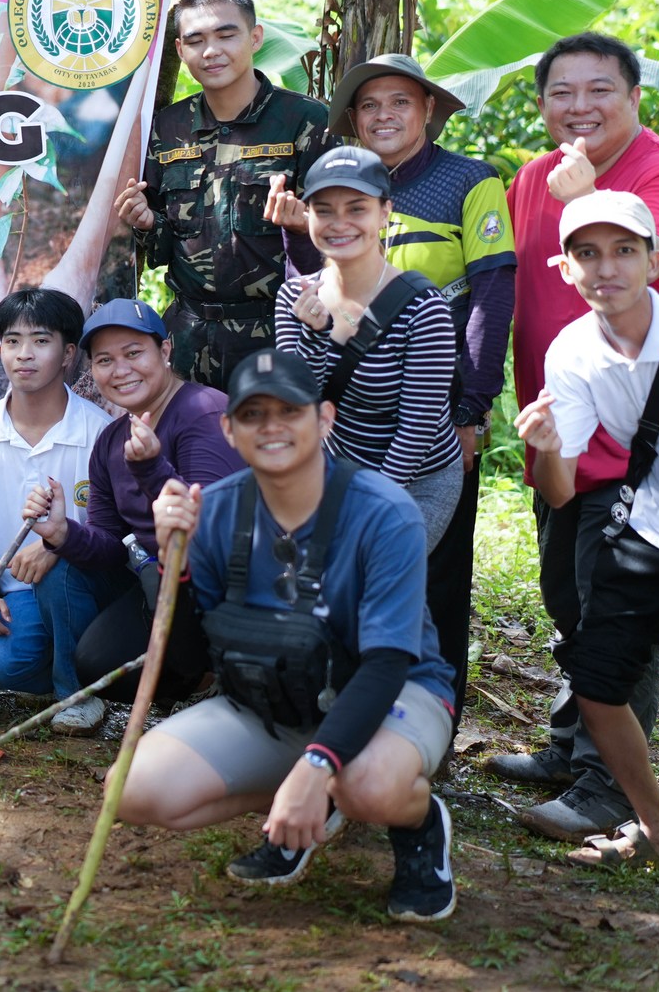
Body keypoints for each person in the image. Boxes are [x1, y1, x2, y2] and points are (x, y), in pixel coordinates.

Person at [119, 349, 459, 923]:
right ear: (229, 428)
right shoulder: (215, 510)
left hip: (393, 694)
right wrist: (171, 564)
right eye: (253, 415)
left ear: (324, 419)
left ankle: (416, 823)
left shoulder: (385, 512)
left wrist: (319, 764)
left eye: (290, 411)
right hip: (274, 697)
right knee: (131, 789)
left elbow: (386, 663)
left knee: (368, 785)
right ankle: (313, 793)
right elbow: (185, 659)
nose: (271, 427)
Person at [487, 33, 659, 842]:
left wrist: (595, 188)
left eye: (599, 90)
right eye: (561, 93)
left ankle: (606, 784)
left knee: (612, 611)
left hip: (645, 446)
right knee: (566, 597)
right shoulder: (531, 182)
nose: (579, 107)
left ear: (636, 96)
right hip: (562, 428)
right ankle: (569, 741)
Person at [300, 54, 516, 718]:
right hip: (353, 417)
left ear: (428, 110)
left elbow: (493, 291)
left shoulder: (469, 181)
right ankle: (350, 708)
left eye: (400, 102)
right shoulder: (335, 193)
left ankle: (433, 716)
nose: (385, 115)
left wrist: (469, 410)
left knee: (433, 576)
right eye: (370, 105)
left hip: (434, 418)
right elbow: (316, 298)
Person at [513, 191, 659, 869]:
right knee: (597, 683)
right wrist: (550, 445)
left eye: (625, 249)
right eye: (587, 253)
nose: (607, 267)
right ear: (565, 269)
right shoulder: (571, 350)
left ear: (655, 259)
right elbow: (562, 492)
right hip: (654, 520)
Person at [25, 299, 245, 707]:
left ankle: (217, 674)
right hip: (155, 579)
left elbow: (211, 530)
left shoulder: (204, 412)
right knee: (98, 664)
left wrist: (150, 468)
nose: (121, 370)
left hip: (217, 584)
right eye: (105, 360)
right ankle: (186, 678)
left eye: (133, 354)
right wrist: (61, 533)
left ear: (164, 351)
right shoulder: (112, 439)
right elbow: (110, 543)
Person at [112, 0, 328, 389]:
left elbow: (340, 236)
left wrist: (303, 227)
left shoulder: (306, 121)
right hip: (188, 337)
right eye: (195, 40)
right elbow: (163, 244)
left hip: (280, 334)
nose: (211, 51)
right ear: (181, 51)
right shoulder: (167, 127)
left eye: (226, 35)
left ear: (255, 37)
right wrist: (144, 224)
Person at [276, 147, 462, 548]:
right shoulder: (294, 295)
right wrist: (314, 333)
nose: (339, 223)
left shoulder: (423, 307)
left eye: (356, 209)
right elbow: (297, 408)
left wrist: (370, 507)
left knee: (376, 576)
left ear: (384, 212)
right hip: (336, 468)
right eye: (324, 210)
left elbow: (418, 426)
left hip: (417, 476)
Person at [0, 288, 111, 733]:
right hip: (14, 590)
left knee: (60, 576)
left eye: (41, 341)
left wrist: (57, 547)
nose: (24, 355)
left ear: (67, 354)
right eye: (12, 340)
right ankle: (61, 659)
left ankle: (80, 693)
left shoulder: (98, 432)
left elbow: (107, 530)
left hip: (79, 585)